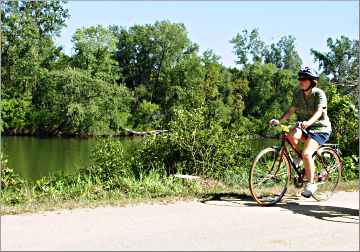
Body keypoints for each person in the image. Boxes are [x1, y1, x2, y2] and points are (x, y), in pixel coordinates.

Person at [269, 66, 332, 198]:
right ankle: (300, 157)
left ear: (312, 81)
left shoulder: (319, 94)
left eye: (304, 79)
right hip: (305, 127)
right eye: (300, 78)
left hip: (320, 128)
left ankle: (311, 183)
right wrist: (279, 121)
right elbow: (291, 110)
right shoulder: (298, 94)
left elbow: (319, 111)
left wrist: (309, 122)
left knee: (307, 153)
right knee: (291, 135)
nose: (300, 81)